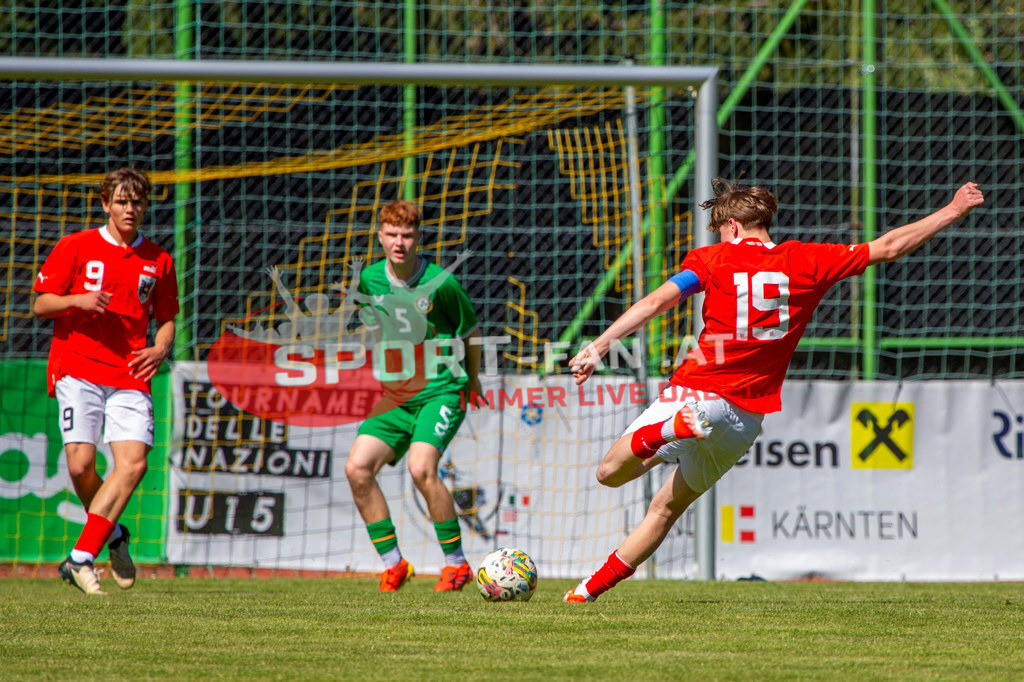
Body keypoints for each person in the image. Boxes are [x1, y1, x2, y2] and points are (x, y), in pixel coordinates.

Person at [563, 179, 984, 603]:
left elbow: (657, 301)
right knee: (665, 510)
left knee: (609, 473)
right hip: (744, 418)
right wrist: (951, 210)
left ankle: (668, 429)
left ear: (732, 226)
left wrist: (598, 347)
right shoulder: (809, 259)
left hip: (696, 392)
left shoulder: (713, 259)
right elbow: (890, 246)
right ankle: (585, 593)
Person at [33, 168, 179, 595]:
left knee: (133, 464)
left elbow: (168, 318)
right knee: (80, 466)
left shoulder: (158, 259)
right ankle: (113, 536)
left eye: (137, 202)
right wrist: (77, 299)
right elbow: (41, 304)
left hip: (131, 371)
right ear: (105, 204)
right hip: (77, 367)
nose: (129, 209)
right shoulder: (75, 246)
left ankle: (80, 558)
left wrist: (161, 347)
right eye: (121, 201)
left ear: (145, 206)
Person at [344, 199, 483, 592]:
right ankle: (394, 564)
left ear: (418, 238)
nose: (399, 242)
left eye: (407, 235)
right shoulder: (370, 278)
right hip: (396, 397)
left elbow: (470, 332)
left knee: (421, 468)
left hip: (442, 389)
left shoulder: (443, 282)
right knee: (357, 469)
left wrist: (472, 381)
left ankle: (456, 566)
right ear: (380, 236)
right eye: (391, 234)